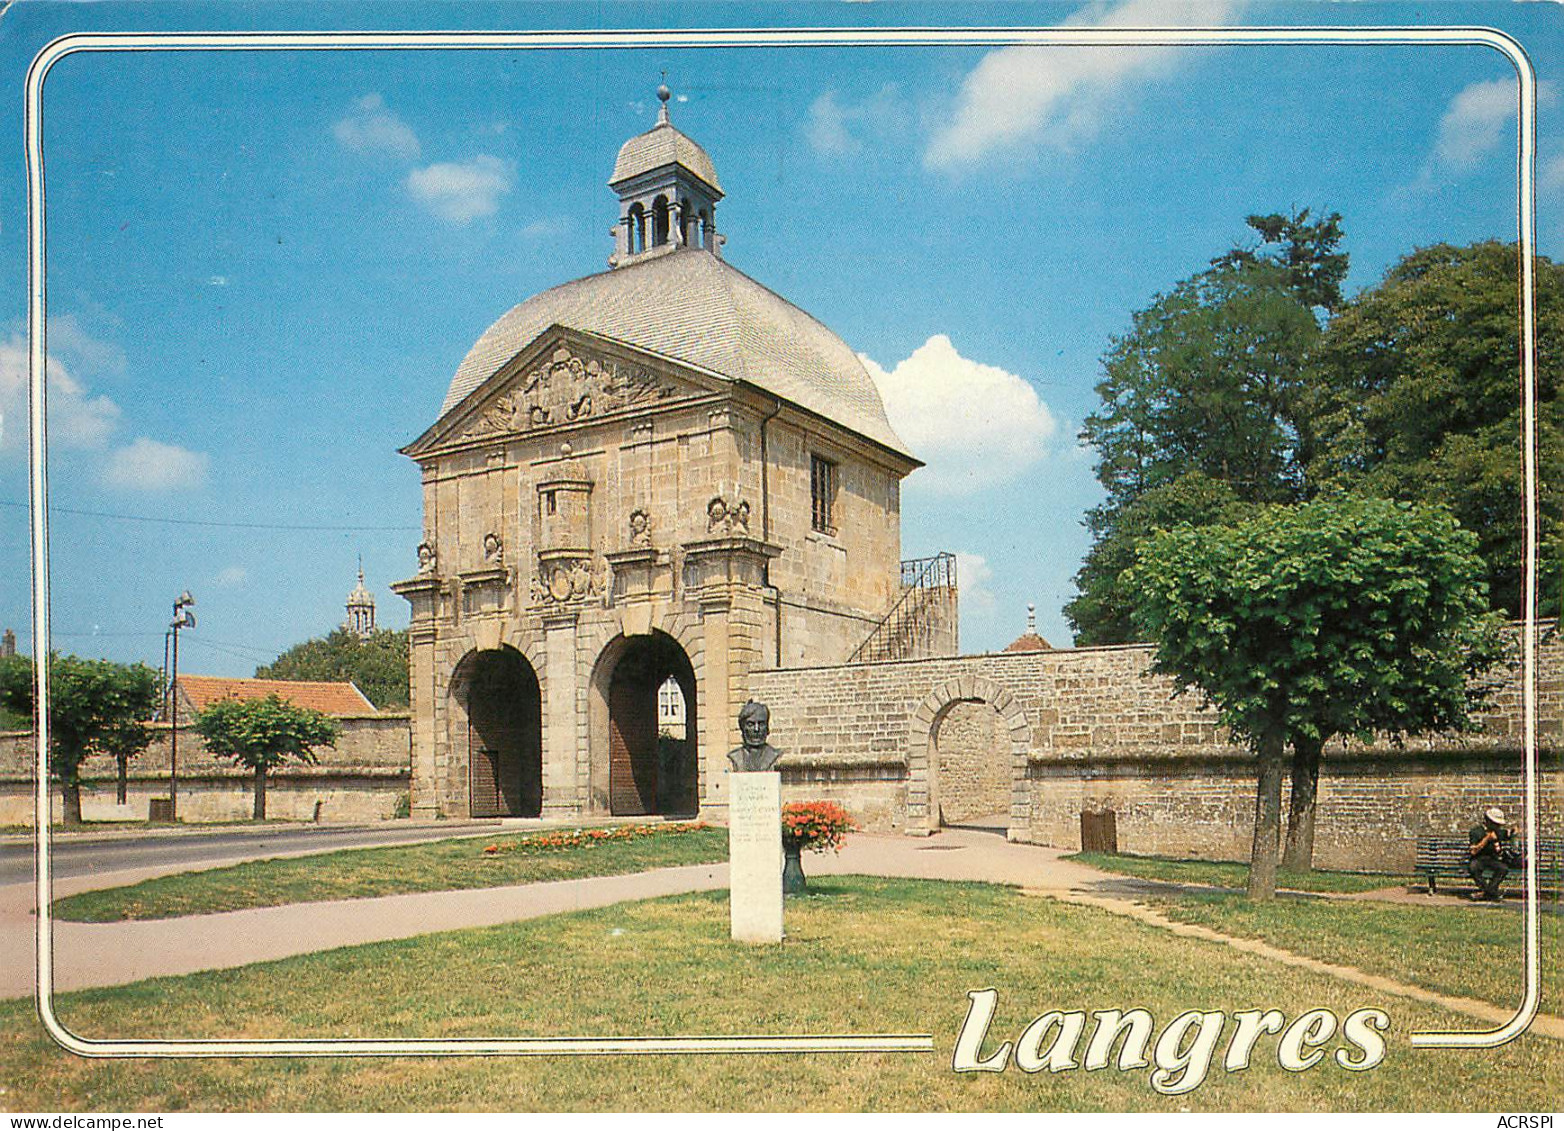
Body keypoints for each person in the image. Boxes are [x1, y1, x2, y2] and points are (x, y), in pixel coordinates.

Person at [1467, 806, 1513, 901]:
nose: (1498, 827)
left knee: (1503, 868)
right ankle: (1490, 892)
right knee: (1473, 867)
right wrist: (1487, 839)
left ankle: (1486, 892)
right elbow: (1473, 851)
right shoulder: (1476, 832)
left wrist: (1514, 832)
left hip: (1492, 859)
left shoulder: (1498, 832)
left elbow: (1509, 833)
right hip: (1479, 858)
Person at [727, 699, 783, 773]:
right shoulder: (735, 757)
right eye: (751, 724)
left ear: (767, 727)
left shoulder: (775, 756)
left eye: (761, 724)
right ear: (743, 728)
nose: (756, 729)